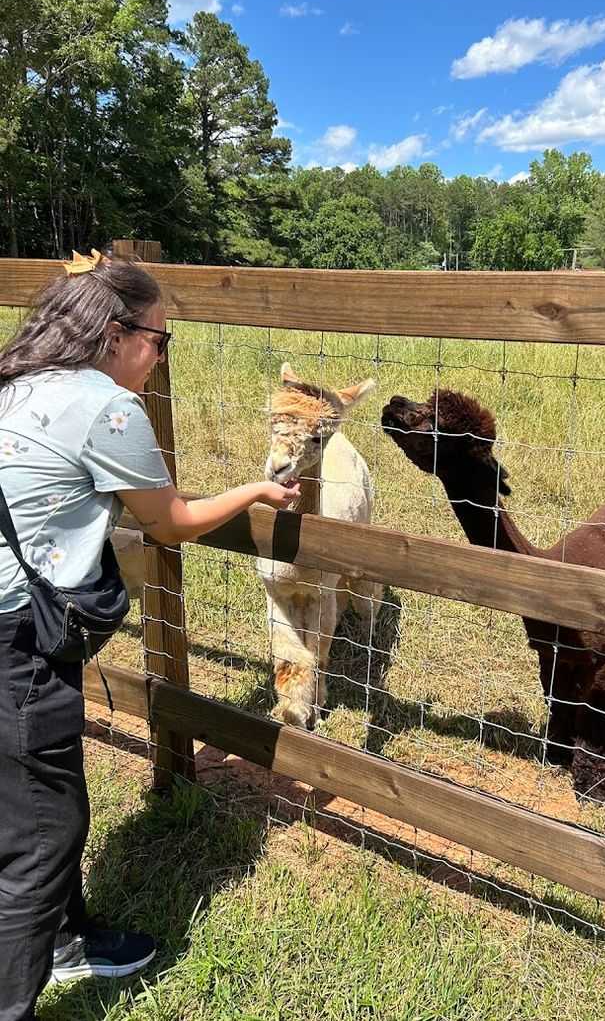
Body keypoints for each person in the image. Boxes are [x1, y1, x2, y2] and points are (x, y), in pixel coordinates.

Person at [0, 251, 300, 1021]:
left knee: (26, 803)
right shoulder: (107, 408)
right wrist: (256, 488)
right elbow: (170, 521)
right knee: (44, 830)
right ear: (114, 333)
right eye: (159, 340)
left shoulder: (17, 382)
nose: (161, 357)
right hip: (18, 643)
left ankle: (64, 941)